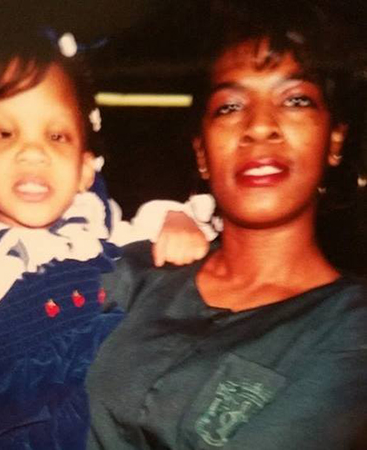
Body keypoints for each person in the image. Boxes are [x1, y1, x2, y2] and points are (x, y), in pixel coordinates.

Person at [86, 1, 367, 448]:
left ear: (335, 141)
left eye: (295, 100)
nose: (259, 127)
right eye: (230, 107)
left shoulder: (351, 331)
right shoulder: (138, 271)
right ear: (201, 153)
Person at [0, 30, 213, 449]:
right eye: (6, 134)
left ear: (85, 171)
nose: (33, 152)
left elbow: (142, 232)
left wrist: (176, 217)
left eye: (56, 136)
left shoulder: (90, 232)